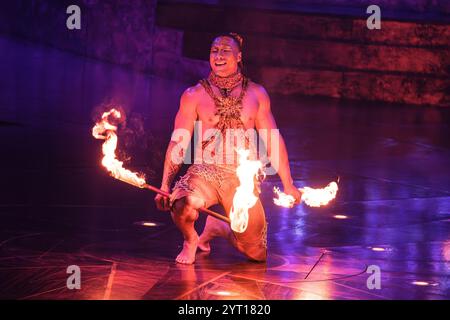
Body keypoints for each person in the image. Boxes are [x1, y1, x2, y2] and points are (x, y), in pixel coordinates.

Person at [155, 33, 301, 264]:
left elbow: (273, 140)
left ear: (239, 57)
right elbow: (178, 141)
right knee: (183, 205)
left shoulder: (256, 94)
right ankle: (191, 239)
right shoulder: (194, 95)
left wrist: (288, 183)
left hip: (240, 178)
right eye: (214, 50)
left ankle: (219, 229)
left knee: (256, 253)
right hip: (204, 172)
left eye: (225, 51)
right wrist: (164, 184)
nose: (219, 55)